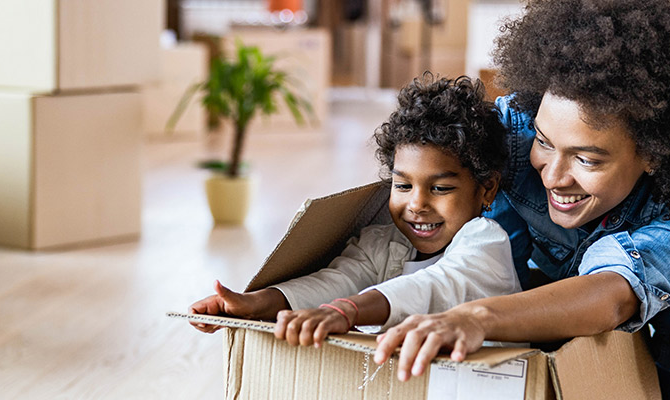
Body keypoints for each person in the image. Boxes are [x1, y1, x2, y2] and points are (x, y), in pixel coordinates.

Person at [371, 1, 670, 399]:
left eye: (586, 159)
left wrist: (477, 317)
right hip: (544, 263)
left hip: (648, 261)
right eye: (544, 141)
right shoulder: (510, 129)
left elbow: (613, 295)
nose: (552, 177)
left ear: (654, 153)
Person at [189, 75, 524, 346]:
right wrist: (255, 303)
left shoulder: (486, 243)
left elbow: (433, 286)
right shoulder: (381, 245)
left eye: (440, 188)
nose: (417, 205)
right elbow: (336, 281)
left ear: (486, 189)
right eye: (403, 186)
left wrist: (348, 310)